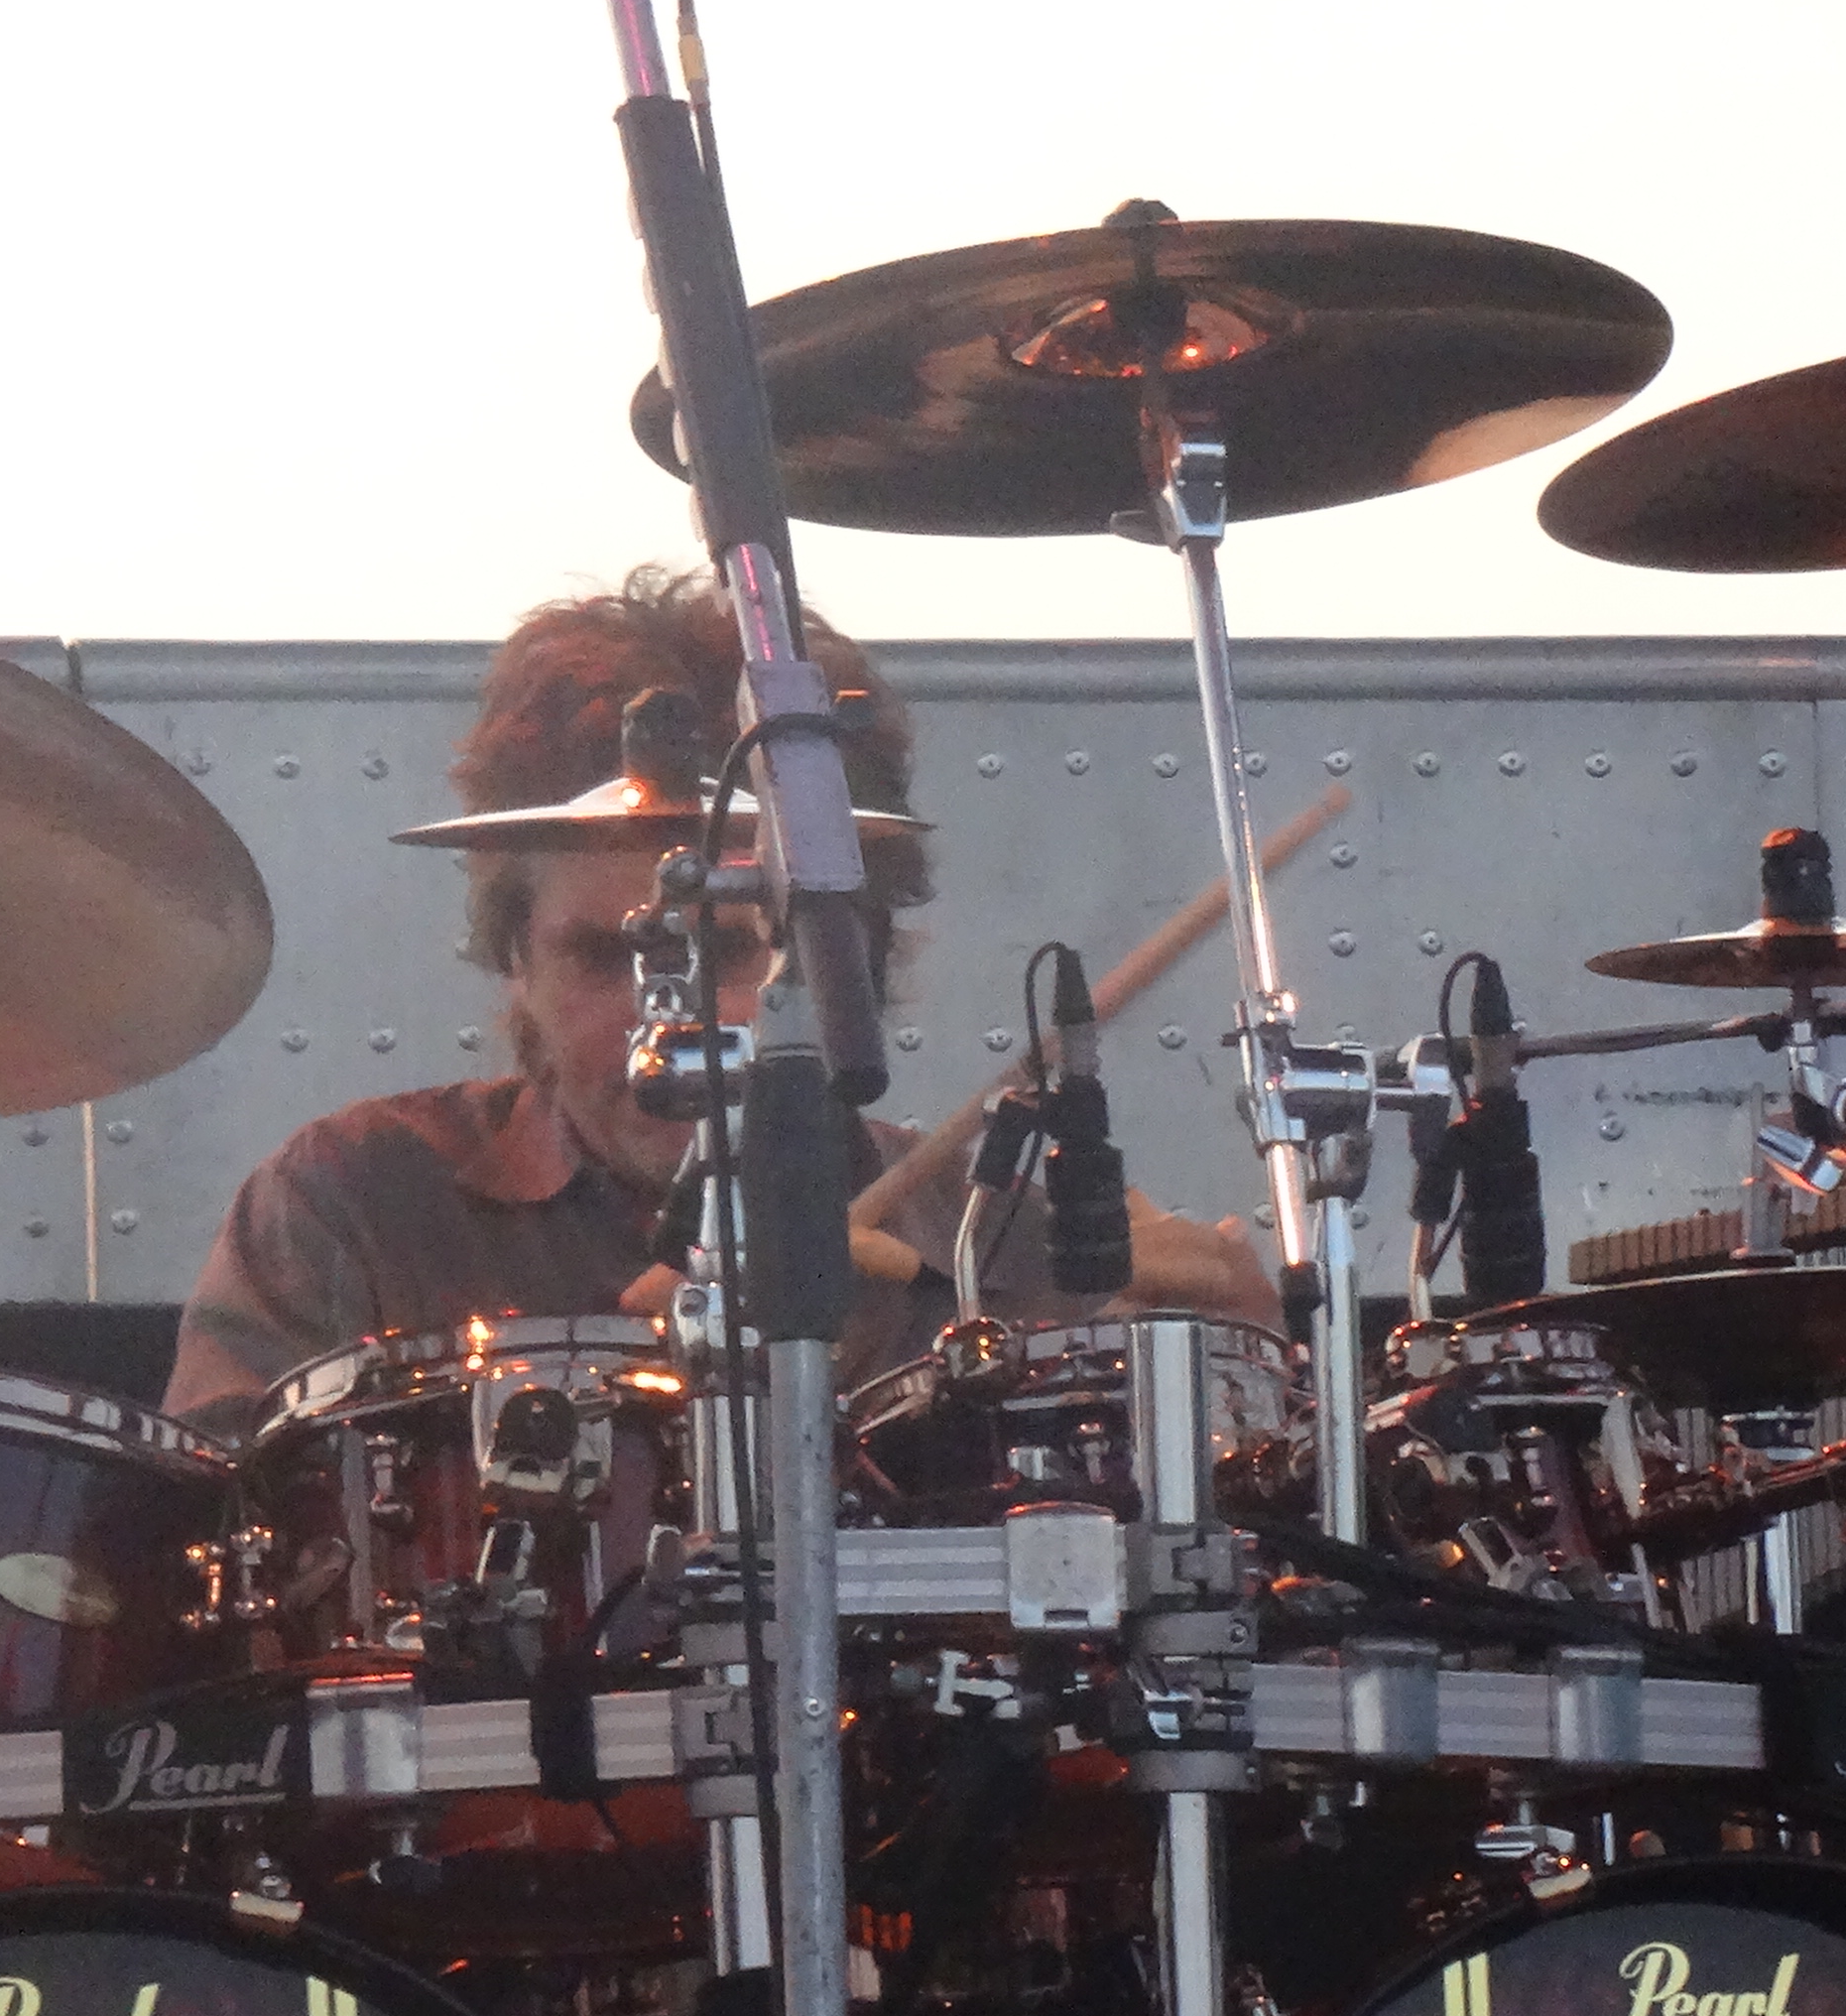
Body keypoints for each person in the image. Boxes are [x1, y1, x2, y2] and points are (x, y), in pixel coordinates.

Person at [165, 567, 1271, 1428]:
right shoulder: (353, 1209)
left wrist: (1250, 1381)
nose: (668, 1018)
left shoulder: (1007, 1252)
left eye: (731, 950)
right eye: (606, 957)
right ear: (517, 967)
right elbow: (200, 1548)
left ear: (851, 964)